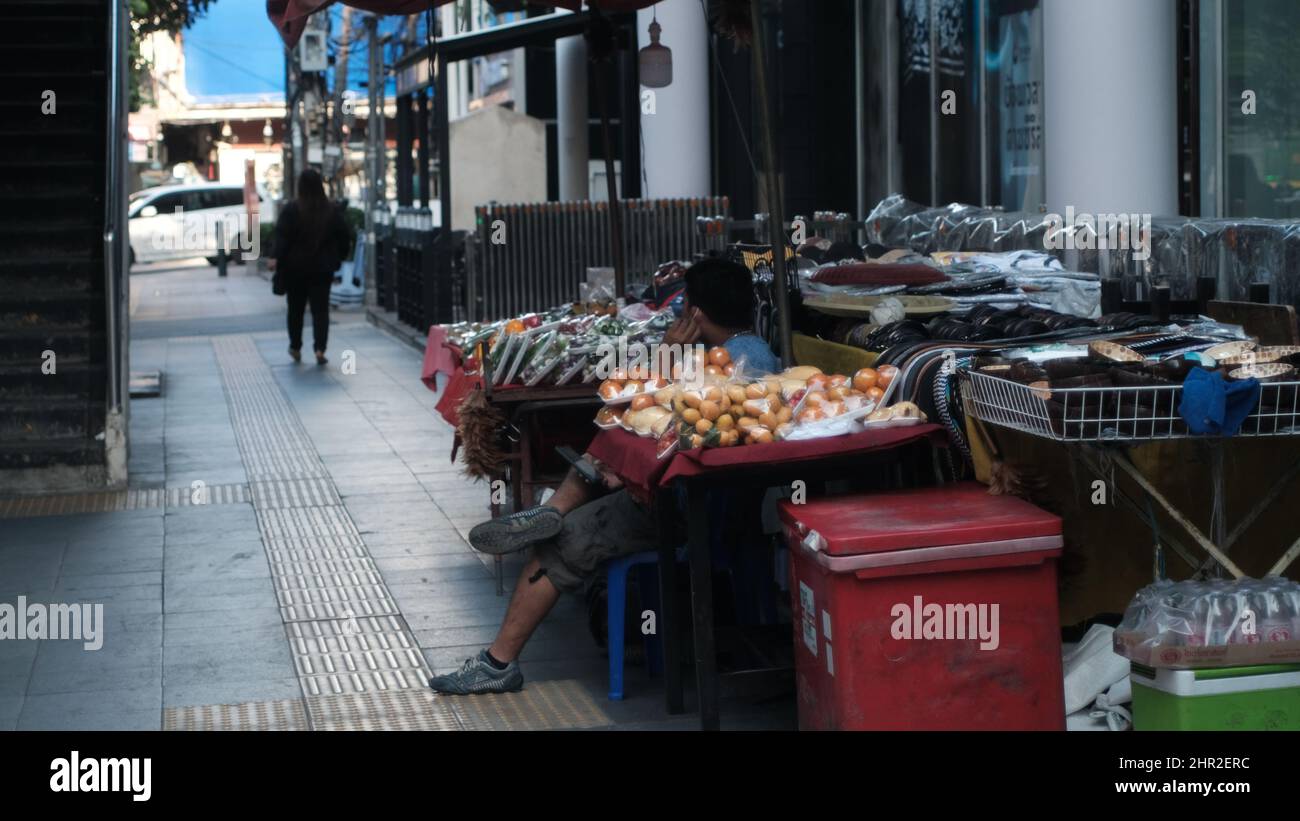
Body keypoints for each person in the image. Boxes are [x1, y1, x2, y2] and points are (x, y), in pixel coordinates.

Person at [429, 256, 779, 695]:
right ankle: (553, 510)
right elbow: (656, 411)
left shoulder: (743, 366)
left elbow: (693, 440)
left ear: (696, 313)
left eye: (684, 301)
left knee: (559, 543)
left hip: (683, 506)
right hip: (678, 493)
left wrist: (668, 353)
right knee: (598, 461)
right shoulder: (735, 353)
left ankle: (498, 663)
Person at [270, 169, 352, 365]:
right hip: (322, 269)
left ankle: (295, 346)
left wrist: (275, 257)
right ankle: (320, 349)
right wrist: (338, 258)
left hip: (295, 268)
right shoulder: (331, 210)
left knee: (295, 309)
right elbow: (344, 237)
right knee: (320, 310)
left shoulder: (292, 209)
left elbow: (282, 236)